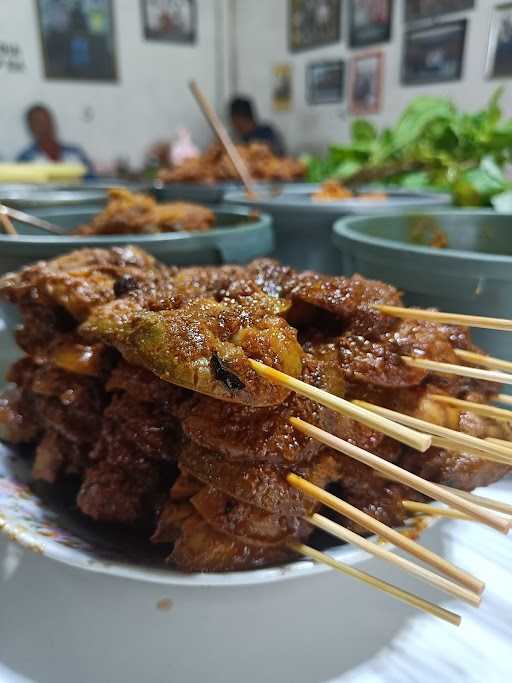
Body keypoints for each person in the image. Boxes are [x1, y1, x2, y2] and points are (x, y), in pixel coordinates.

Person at [16, 104, 95, 176]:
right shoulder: (26, 159)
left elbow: (92, 181)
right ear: (31, 127)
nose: (44, 126)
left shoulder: (75, 153)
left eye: (46, 120)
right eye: (38, 122)